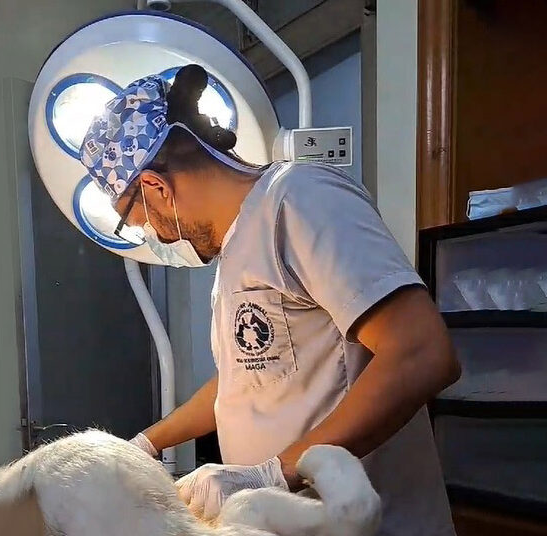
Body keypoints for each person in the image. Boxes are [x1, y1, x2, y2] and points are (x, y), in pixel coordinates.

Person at [80, 64, 461, 536]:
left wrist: (274, 474)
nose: (154, 236)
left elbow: (422, 353)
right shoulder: (236, 251)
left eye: (138, 220)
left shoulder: (300, 201)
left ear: (156, 188)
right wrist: (143, 445)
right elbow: (245, 383)